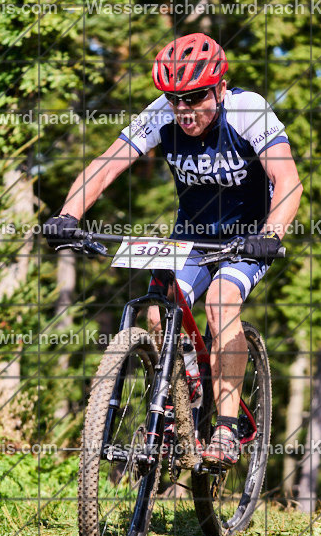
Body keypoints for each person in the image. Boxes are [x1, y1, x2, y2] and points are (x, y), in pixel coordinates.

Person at [42, 32, 303, 466]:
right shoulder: (162, 114)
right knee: (158, 313)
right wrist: (68, 215)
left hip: (247, 237)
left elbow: (288, 181)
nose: (183, 110)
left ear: (220, 88)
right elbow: (107, 164)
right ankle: (182, 396)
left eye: (195, 97)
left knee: (221, 303)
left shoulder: (248, 111)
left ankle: (224, 428)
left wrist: (271, 234)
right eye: (174, 99)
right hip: (192, 236)